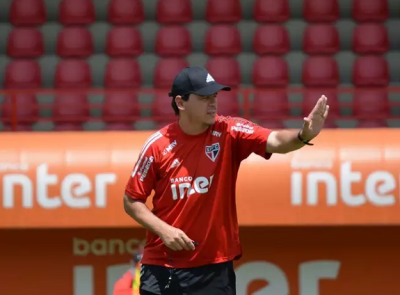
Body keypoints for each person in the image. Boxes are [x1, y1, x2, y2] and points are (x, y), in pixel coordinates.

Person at [123, 66, 329, 295]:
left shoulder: (230, 130)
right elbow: (132, 200)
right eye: (204, 98)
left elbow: (276, 140)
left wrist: (304, 135)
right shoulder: (157, 146)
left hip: (214, 270)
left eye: (215, 97)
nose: (213, 103)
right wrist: (164, 230)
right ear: (181, 103)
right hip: (163, 266)